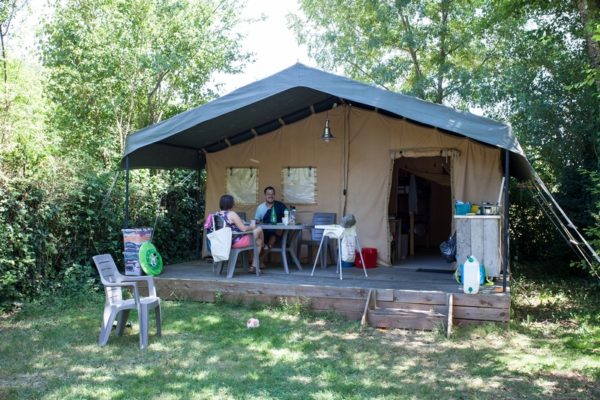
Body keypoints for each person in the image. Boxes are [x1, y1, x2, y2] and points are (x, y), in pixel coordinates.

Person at [217, 194, 264, 273]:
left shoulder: (217, 214)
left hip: (224, 242)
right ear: (230, 204)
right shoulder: (231, 214)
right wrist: (252, 226)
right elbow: (244, 229)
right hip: (236, 241)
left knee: (258, 242)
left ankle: (254, 267)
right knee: (259, 229)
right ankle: (264, 245)